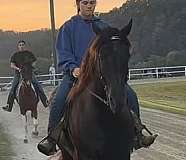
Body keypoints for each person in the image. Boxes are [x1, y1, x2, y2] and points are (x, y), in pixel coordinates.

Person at [38, 0, 157, 156]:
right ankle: (52, 138)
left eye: (92, 2)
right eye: (85, 2)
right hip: (75, 75)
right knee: (59, 100)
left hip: (102, 75)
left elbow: (112, 51)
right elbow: (63, 52)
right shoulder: (68, 27)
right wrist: (72, 68)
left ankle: (137, 133)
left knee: (130, 95)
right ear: (78, 4)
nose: (89, 6)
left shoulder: (104, 27)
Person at [2, 40, 48, 112]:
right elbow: (12, 65)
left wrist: (32, 66)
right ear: (18, 46)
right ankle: (9, 105)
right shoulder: (15, 55)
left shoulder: (29, 54)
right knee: (13, 86)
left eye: (22, 45)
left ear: (25, 46)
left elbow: (34, 61)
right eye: (20, 45)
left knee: (37, 84)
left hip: (29, 73)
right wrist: (18, 68)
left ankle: (45, 101)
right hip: (19, 73)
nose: (21, 46)